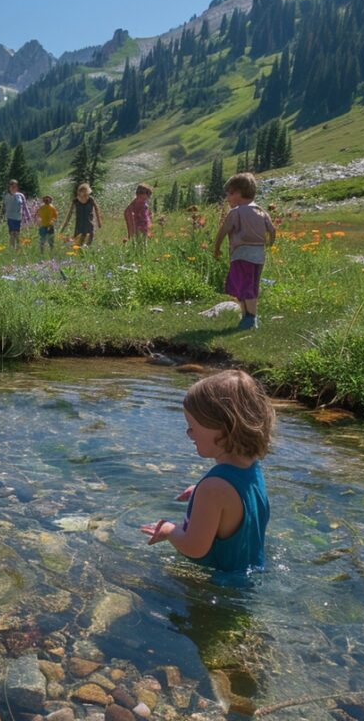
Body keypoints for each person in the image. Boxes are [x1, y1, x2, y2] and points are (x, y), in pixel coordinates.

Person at [139, 369, 274, 575]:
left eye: (193, 426)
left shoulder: (212, 489)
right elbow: (236, 507)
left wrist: (169, 530)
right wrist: (197, 492)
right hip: (249, 574)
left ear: (222, 428)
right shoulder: (251, 469)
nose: (189, 433)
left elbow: (195, 548)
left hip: (217, 585)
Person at [212, 173, 276, 330]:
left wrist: (217, 247)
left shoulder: (236, 212)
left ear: (239, 193)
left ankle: (250, 318)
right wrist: (269, 243)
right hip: (259, 255)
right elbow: (272, 231)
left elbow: (223, 231)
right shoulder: (261, 211)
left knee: (242, 285)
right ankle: (247, 316)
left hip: (241, 254)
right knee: (251, 284)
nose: (228, 197)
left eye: (230, 193)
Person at [60, 182, 102, 247]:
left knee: (89, 241)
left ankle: (86, 250)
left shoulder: (91, 200)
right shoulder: (75, 201)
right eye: (82, 194)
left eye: (86, 194)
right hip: (79, 225)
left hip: (89, 224)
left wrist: (99, 222)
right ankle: (72, 248)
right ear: (79, 193)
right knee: (78, 243)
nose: (84, 197)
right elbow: (69, 214)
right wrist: (64, 226)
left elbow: (96, 210)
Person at [2, 180, 27, 251]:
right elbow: (4, 206)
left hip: (18, 217)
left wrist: (28, 217)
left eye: (15, 186)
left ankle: (18, 248)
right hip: (10, 217)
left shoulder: (20, 195)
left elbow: (25, 206)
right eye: (12, 186)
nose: (14, 188)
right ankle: (12, 248)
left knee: (17, 233)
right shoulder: (6, 195)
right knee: (12, 233)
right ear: (9, 187)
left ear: (17, 187)